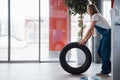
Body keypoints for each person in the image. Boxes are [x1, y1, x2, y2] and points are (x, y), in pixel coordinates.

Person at [79, 4, 111, 75]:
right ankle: (109, 67)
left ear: (90, 9)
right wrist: (86, 39)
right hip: (105, 35)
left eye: (87, 9)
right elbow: (92, 30)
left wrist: (83, 39)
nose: (87, 10)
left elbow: (90, 29)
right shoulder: (96, 16)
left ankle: (105, 71)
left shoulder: (95, 16)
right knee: (100, 51)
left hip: (108, 35)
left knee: (104, 53)